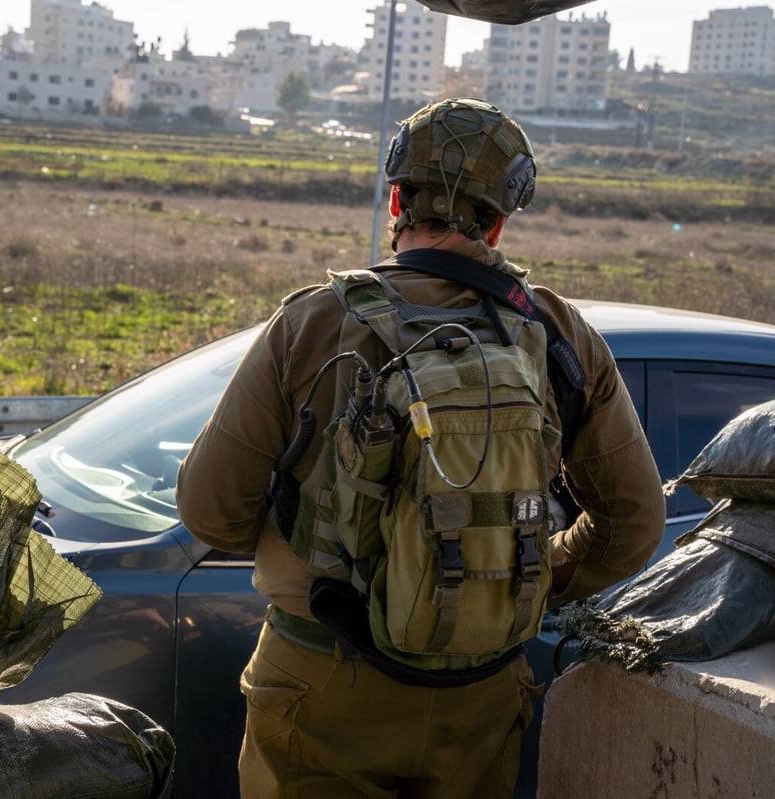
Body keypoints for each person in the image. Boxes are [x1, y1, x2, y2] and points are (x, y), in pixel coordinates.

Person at [176, 97, 665, 798]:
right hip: (482, 696)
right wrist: (504, 574)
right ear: (499, 219)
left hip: (323, 682)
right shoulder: (557, 333)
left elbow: (208, 510)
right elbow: (634, 524)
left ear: (398, 199)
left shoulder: (312, 321)